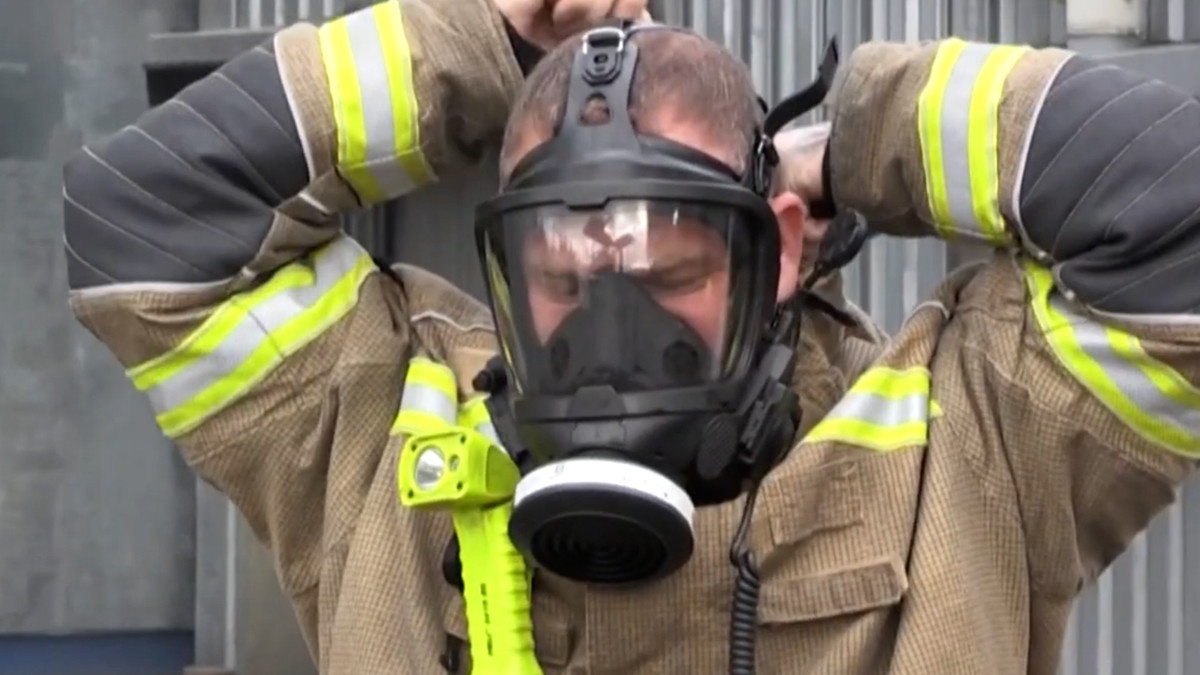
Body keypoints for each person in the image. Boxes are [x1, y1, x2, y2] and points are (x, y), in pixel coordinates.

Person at [59, 0, 1200, 671]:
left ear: (778, 248)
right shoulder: (379, 431)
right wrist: (483, 45)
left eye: (669, 269)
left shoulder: (976, 445)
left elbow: (1178, 203)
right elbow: (140, 219)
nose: (613, 324)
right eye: (562, 273)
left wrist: (864, 141)